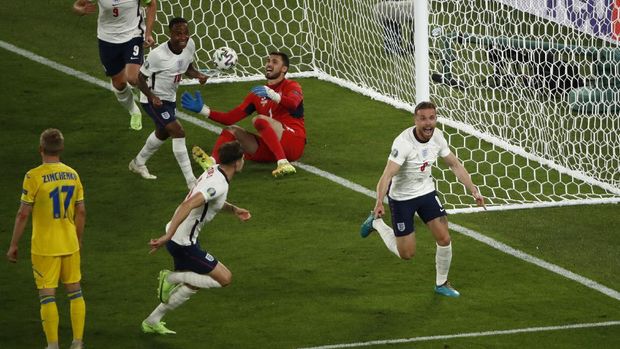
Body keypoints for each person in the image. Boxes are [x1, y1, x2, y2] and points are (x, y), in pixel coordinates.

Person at [359, 101, 485, 298]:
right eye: (423, 118)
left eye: (432, 118)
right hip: (402, 198)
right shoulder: (403, 143)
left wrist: (473, 190)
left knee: (444, 238)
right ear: (415, 120)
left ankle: (441, 283)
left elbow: (454, 164)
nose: (428, 123)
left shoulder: (438, 137)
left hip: (426, 192)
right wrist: (378, 203)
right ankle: (376, 223)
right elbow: (387, 176)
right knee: (406, 254)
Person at [141, 141, 251, 335]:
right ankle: (171, 277)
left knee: (193, 283)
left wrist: (233, 209)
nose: (244, 161)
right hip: (182, 242)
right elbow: (189, 205)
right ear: (236, 162)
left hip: (181, 237)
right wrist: (168, 236)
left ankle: (152, 320)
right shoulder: (218, 183)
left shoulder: (215, 171)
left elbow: (212, 200)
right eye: (242, 158)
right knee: (224, 278)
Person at [6, 129, 87, 349]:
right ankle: (78, 342)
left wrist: (13, 244)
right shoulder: (73, 174)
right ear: (60, 149)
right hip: (69, 243)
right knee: (75, 291)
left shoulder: (33, 176)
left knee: (47, 296)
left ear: (41, 149)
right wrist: (77, 239)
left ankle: (52, 345)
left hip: (44, 247)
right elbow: (81, 212)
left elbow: (23, 213)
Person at [181, 51, 306, 178]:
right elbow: (230, 118)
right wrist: (204, 110)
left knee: (259, 120)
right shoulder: (258, 93)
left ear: (284, 69)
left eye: (274, 62)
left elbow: (293, 103)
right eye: (268, 61)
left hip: (293, 142)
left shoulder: (292, 86)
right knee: (231, 130)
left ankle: (283, 163)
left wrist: (273, 95)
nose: (269, 64)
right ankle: (211, 163)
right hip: (269, 148)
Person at [128, 17, 209, 189]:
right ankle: (191, 182)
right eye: (178, 33)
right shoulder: (158, 55)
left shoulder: (190, 45)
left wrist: (199, 75)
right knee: (177, 131)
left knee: (163, 132)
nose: (183, 37)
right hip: (153, 100)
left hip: (169, 98)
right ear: (170, 34)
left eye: (186, 33)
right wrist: (151, 97)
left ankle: (138, 163)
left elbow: (187, 68)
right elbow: (139, 78)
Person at [72, 0, 157, 131]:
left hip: (133, 35)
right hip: (107, 39)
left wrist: (148, 33)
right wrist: (81, 10)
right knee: (119, 84)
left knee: (133, 78)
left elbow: (152, 4)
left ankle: (151, 86)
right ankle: (134, 111)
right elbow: (77, 5)